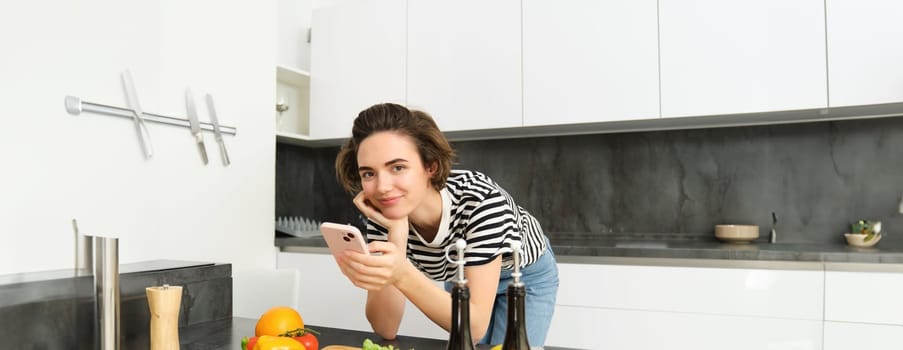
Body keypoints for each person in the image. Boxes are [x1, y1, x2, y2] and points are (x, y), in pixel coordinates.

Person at [333, 103, 559, 346]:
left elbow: (475, 326)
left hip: (523, 274)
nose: (382, 187)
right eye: (369, 173)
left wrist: (398, 271)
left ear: (431, 166)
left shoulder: (481, 202)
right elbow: (386, 327)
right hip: (462, 267)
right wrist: (396, 235)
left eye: (397, 167)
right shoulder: (386, 212)